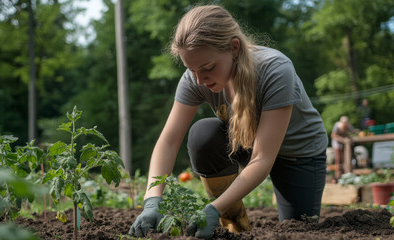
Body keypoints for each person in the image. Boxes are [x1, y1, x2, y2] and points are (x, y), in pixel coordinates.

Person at [129, 5, 328, 239]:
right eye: (191, 70)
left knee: (297, 229)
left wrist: (211, 209)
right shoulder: (196, 78)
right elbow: (169, 141)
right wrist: (152, 201)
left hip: (298, 154)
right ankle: (234, 225)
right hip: (244, 141)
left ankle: (223, 209)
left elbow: (263, 158)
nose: (199, 80)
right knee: (203, 135)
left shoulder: (275, 70)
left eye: (207, 68)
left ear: (234, 48)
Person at [331, 116, 357, 180]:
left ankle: (343, 175)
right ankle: (337, 176)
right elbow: (333, 135)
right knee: (338, 160)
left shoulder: (348, 126)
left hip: (344, 145)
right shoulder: (337, 125)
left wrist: (358, 132)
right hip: (337, 144)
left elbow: (353, 131)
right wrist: (342, 139)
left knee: (344, 160)